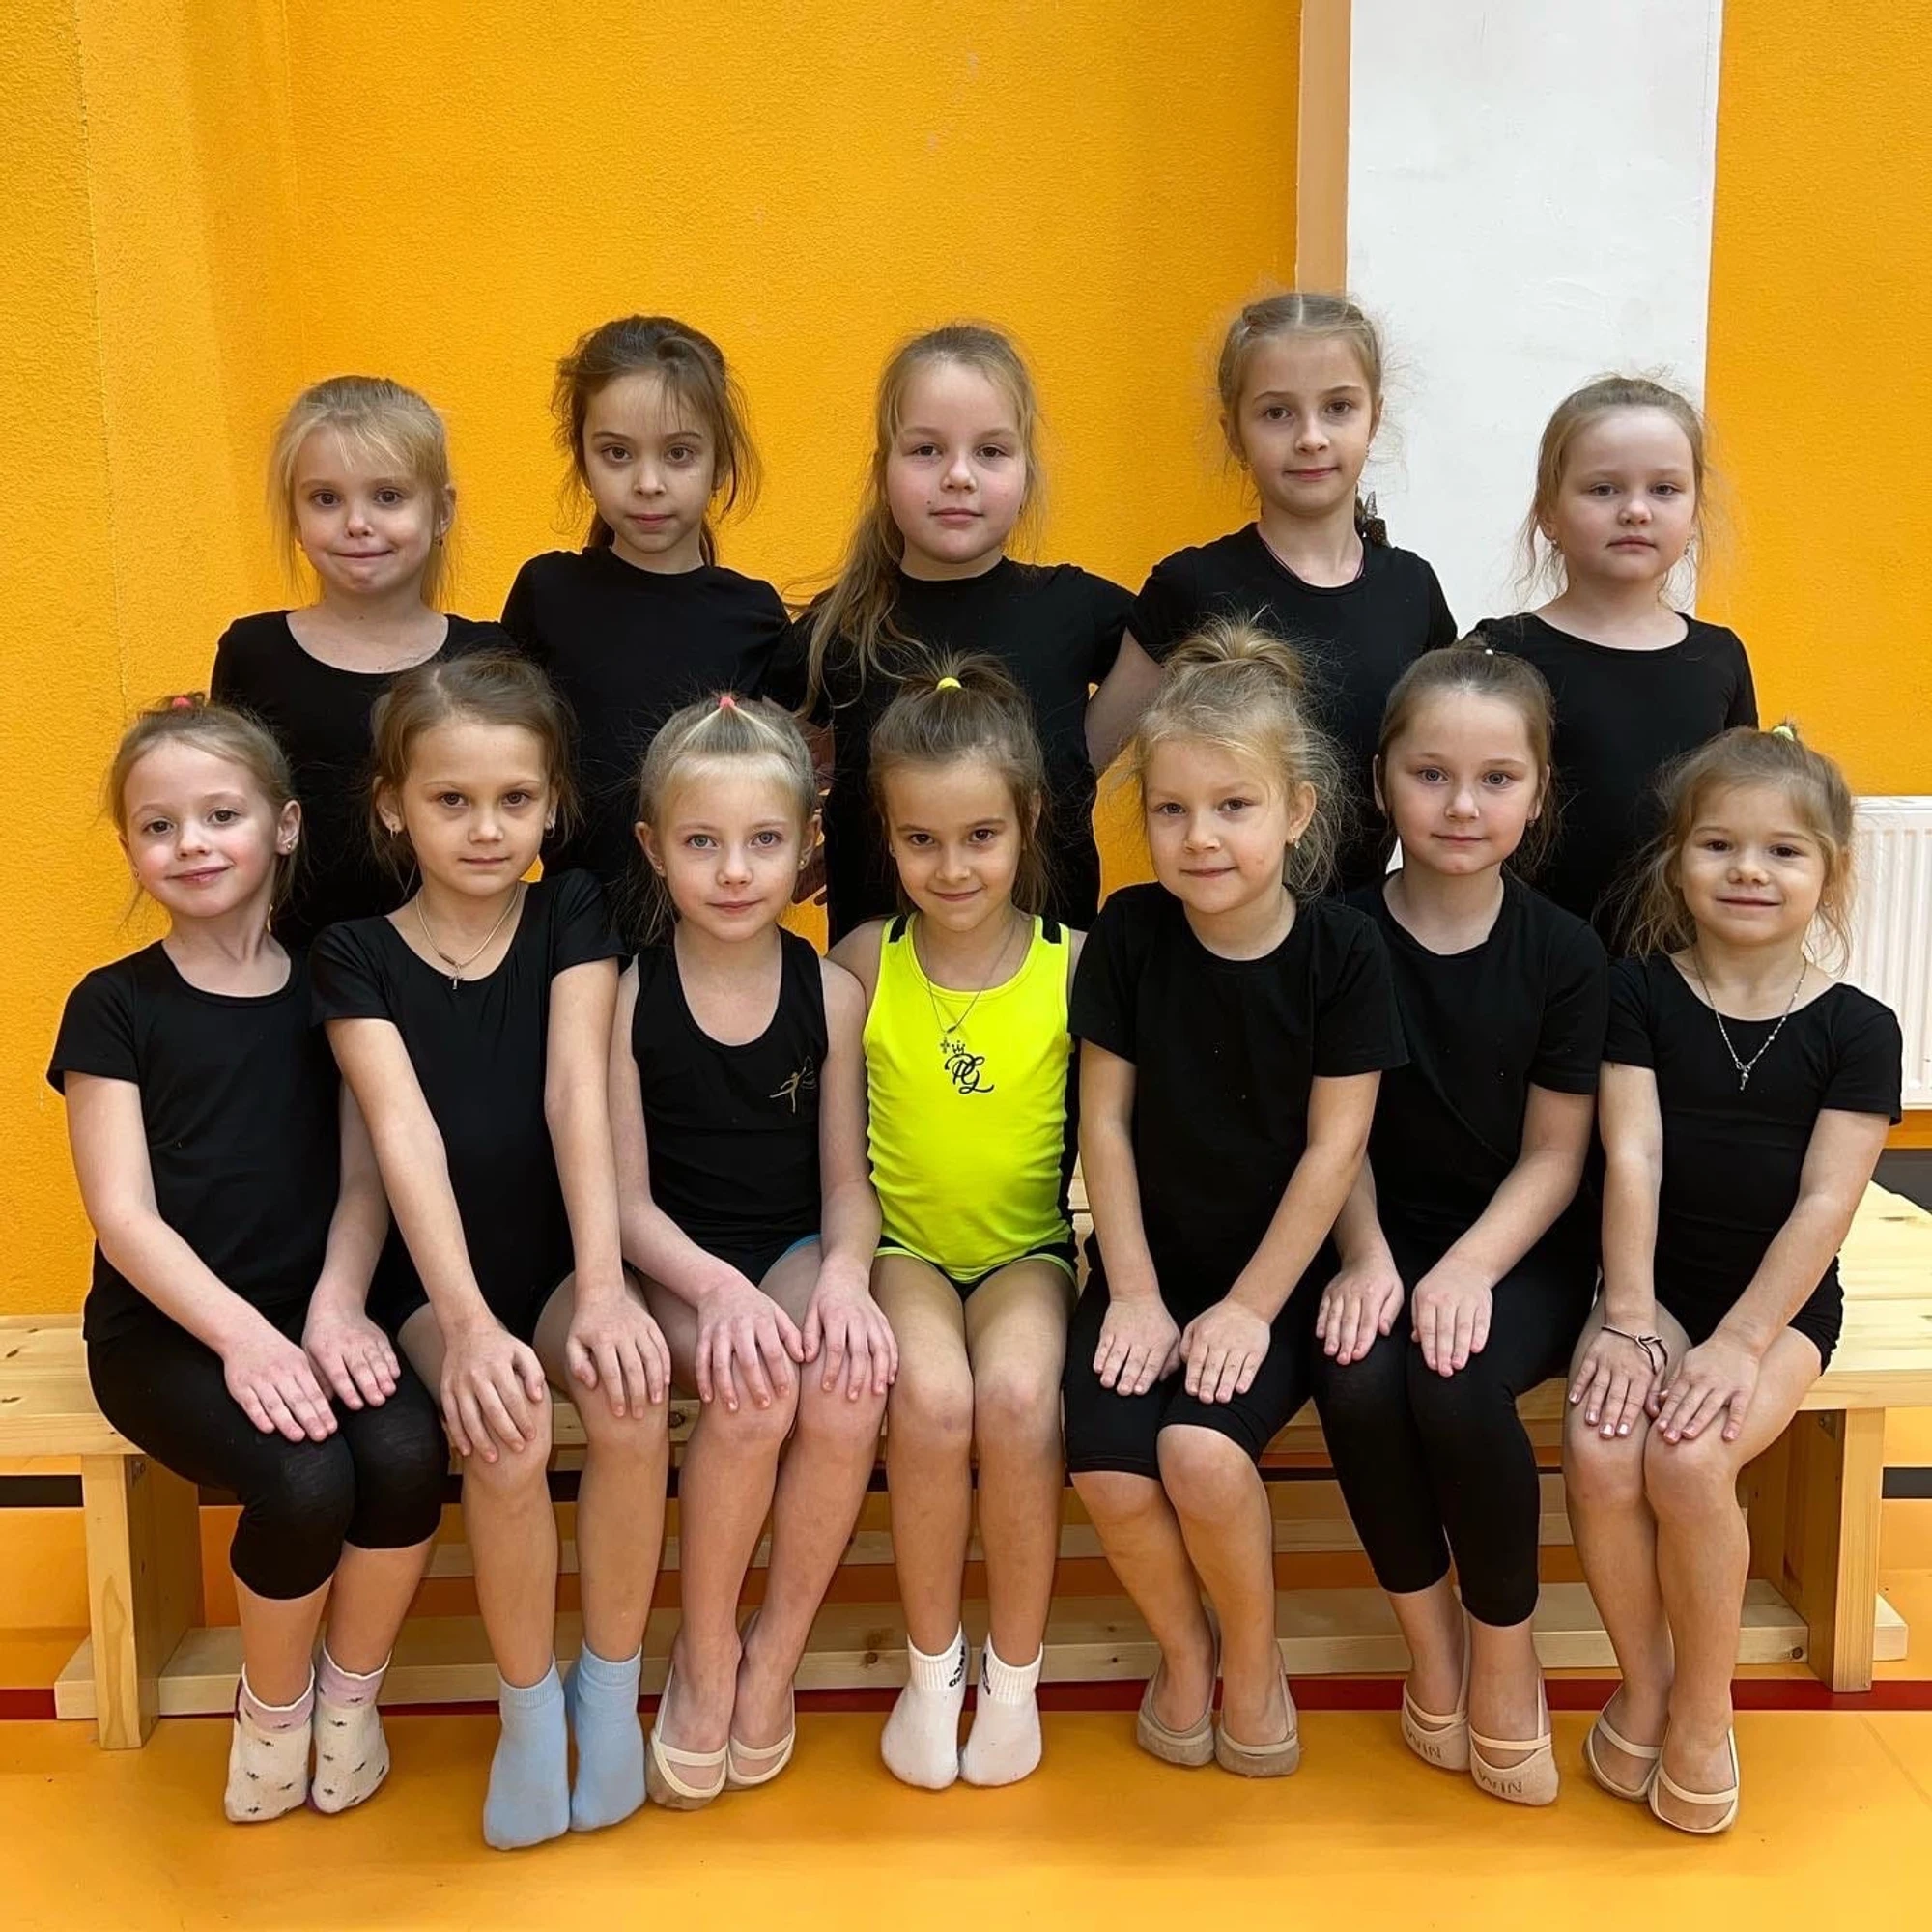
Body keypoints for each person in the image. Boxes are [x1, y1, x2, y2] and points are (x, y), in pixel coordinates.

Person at [49, 696, 444, 1822]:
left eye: (220, 814)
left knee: (406, 1452)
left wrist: (336, 1304)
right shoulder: (113, 1005)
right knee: (303, 1477)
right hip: (169, 1333)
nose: (191, 843)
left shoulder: (336, 979)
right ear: (130, 846)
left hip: (318, 1308)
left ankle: (347, 1699)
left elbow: (367, 1175)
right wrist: (245, 1341)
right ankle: (271, 1710)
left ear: (283, 824)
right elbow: (124, 1216)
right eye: (158, 825)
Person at [314, 653, 668, 1848]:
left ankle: (606, 1688)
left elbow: (576, 1094)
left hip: (563, 1254)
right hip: (436, 1277)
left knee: (628, 1397)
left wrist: (605, 1289)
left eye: (514, 799)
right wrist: (466, 1326)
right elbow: (401, 1134)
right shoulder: (353, 954)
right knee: (506, 1431)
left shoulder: (572, 911)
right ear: (391, 806)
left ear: (553, 803)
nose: (485, 827)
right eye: (451, 800)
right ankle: (526, 1709)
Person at [1063, 621, 1406, 1776]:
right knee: (1109, 1467)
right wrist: (1132, 1289)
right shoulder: (1129, 931)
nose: (1198, 835)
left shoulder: (1341, 951)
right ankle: (1186, 1649)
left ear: (1296, 811)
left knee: (1202, 1456)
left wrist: (1254, 1308)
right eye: (1169, 809)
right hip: (1146, 1269)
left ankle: (1254, 1660)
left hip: (1277, 1279)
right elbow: (1104, 1123)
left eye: (1232, 806)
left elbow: (1333, 1149)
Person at [1565, 725, 1899, 1834]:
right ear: (1675, 863)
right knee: (1600, 1449)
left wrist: (1740, 1341)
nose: (1746, 869)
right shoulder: (1634, 992)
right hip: (1646, 1286)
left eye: (1781, 851)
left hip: (1776, 1307)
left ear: (1827, 874)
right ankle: (1646, 1681)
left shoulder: (1857, 1029)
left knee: (1688, 1456)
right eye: (1716, 844)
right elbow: (1630, 1154)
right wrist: (1627, 1316)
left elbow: (1823, 1203)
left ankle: (1704, 1711)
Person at [1312, 644, 1606, 1805]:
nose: (1460, 805)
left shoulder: (1563, 951)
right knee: (1354, 1376)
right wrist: (1367, 1255)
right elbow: (1329, 1139)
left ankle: (1501, 1649)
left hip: (1517, 1242)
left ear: (1536, 793)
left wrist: (1471, 1267)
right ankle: (1427, 1639)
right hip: (1370, 1229)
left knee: (1452, 1379)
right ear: (1380, 778)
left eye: (1495, 778)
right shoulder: (1334, 935)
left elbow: (1555, 1152)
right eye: (1430, 774)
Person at [609, 692, 894, 1807]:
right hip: (678, 1260)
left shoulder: (829, 993)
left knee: (848, 1377)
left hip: (792, 1245)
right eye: (701, 843)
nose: (734, 871)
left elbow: (846, 1184)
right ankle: (705, 1644)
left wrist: (845, 1277)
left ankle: (774, 1648)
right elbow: (625, 1202)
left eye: (763, 841)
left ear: (808, 844)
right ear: (653, 848)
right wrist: (715, 1289)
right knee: (752, 1381)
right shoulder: (630, 995)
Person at [828, 659, 1080, 1789]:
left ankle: (1011, 1678)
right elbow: (839, 1157)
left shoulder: (1071, 965)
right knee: (930, 1400)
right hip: (903, 1252)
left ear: (1027, 819)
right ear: (884, 835)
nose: (951, 866)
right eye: (919, 840)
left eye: (980, 835)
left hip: (1028, 1251)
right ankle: (932, 1672)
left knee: (1018, 1396)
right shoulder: (859, 962)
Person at [1087, 293, 1457, 891]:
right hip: (1216, 931)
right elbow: (1085, 761)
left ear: (1374, 418)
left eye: (1338, 407)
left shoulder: (1413, 591)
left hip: (1363, 933)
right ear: (1234, 433)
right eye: (1277, 413)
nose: (1310, 437)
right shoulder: (1190, 587)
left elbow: (1442, 774)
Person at [775, 323, 1133, 938]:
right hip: (882, 978)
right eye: (926, 450)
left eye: (990, 451)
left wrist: (1070, 768)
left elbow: (1185, 653)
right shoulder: (841, 625)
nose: (959, 475)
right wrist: (801, 833)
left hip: (1053, 977)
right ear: (883, 469)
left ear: (1027, 471)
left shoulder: (1077, 609)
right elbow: (758, 742)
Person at [501, 315, 788, 905]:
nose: (648, 482)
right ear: (583, 460)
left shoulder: (754, 615)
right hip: (574, 929)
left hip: (713, 928)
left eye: (679, 453)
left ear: (719, 463)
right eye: (617, 453)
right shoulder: (548, 594)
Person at [213, 376, 502, 948]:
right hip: (307, 969)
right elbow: (231, 820)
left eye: (388, 496)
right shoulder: (254, 655)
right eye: (326, 499)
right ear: (294, 515)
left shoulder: (488, 656)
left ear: (441, 511)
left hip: (465, 970)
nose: (356, 523)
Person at [1477, 375, 1755, 943]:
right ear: (1549, 512)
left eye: (1664, 489)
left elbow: (1744, 819)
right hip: (1531, 963)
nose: (1635, 510)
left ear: (1694, 512)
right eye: (1603, 489)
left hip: (1675, 967)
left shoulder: (1719, 659)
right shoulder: (1503, 654)